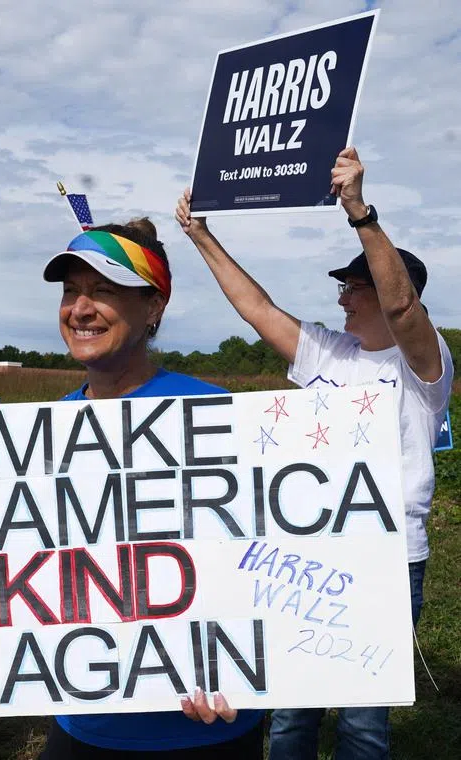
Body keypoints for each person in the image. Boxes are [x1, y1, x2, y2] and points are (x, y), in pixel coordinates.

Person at [176, 147, 454, 760]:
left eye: (353, 287)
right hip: (304, 553)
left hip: (386, 558)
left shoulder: (424, 363)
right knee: (292, 709)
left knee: (361, 723)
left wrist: (358, 210)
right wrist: (202, 237)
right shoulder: (329, 353)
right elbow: (257, 309)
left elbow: (404, 306)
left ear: (384, 289)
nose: (342, 299)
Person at [0, 219, 264, 758]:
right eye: (71, 291)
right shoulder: (45, 435)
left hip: (204, 723)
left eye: (103, 291)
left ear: (154, 307)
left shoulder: (216, 413)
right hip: (84, 721)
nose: (80, 308)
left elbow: (269, 558)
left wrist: (250, 666)